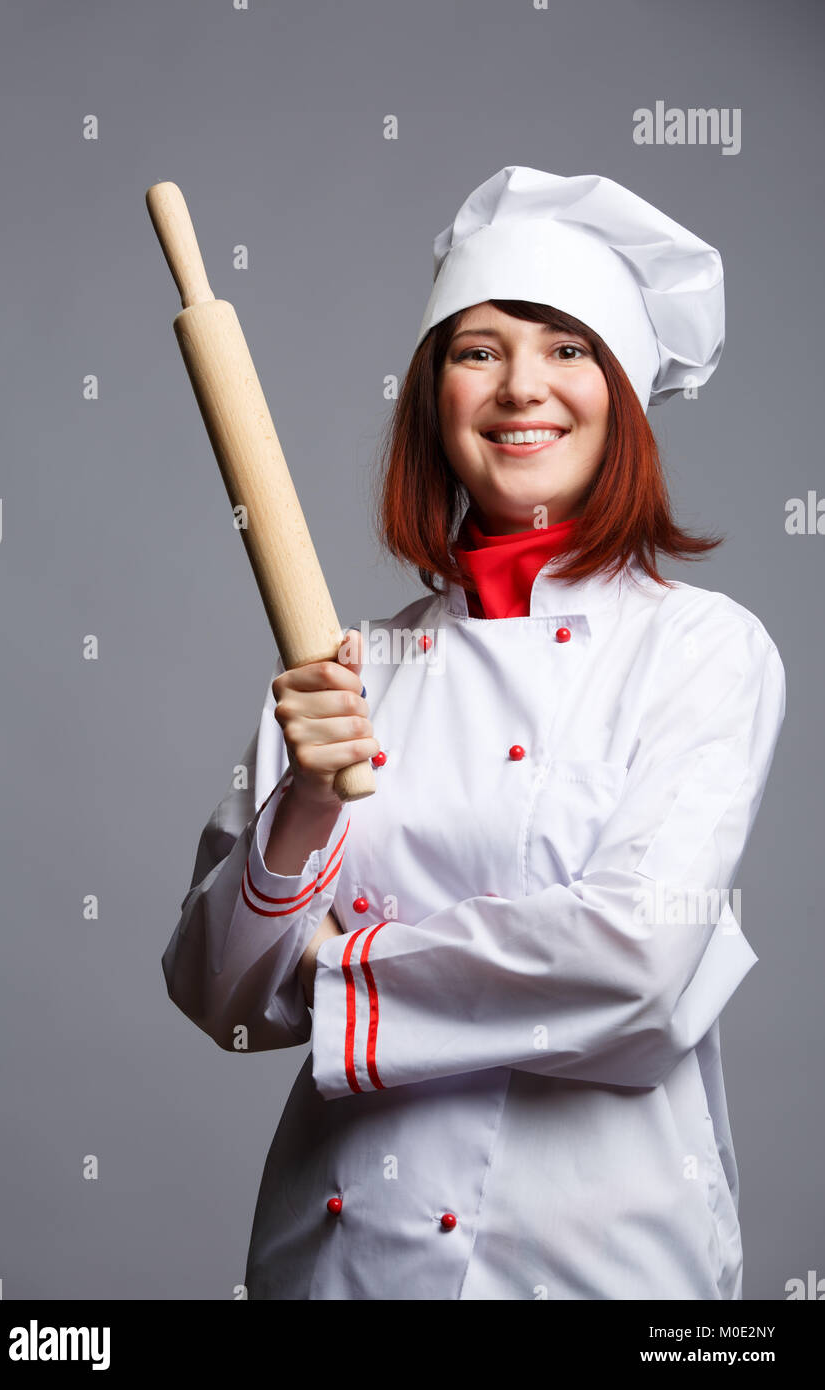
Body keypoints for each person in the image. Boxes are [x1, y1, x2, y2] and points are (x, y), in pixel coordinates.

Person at [162, 167, 786, 1300]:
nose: (520, 389)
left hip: (601, 1268)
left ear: (623, 396)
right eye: (477, 350)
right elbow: (221, 1002)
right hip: (340, 1262)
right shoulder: (339, 675)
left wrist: (330, 969)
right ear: (433, 398)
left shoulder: (701, 650)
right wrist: (303, 799)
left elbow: (632, 964)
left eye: (566, 348)